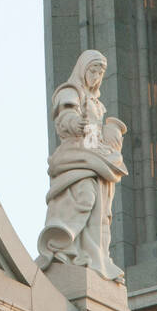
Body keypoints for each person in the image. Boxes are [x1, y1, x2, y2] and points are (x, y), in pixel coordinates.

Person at [35, 50, 128, 282]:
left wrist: (111, 135)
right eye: (93, 70)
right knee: (85, 197)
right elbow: (64, 119)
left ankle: (95, 257)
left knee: (102, 212)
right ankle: (63, 244)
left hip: (98, 157)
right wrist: (77, 123)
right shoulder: (70, 92)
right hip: (76, 155)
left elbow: (99, 134)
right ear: (83, 69)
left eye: (100, 72)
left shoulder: (97, 103)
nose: (96, 76)